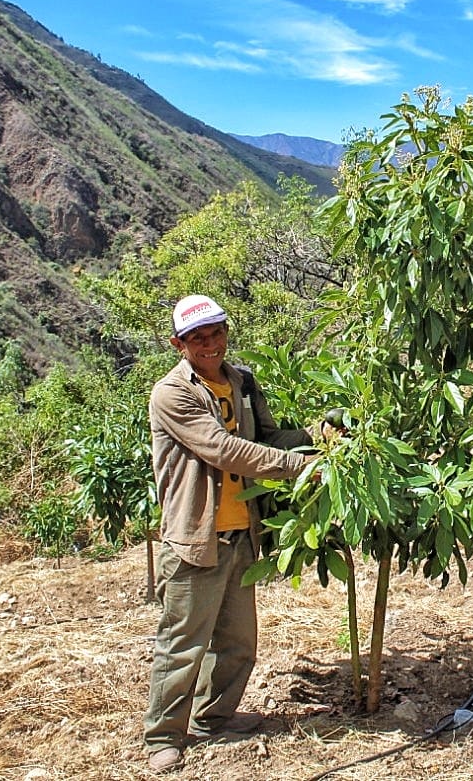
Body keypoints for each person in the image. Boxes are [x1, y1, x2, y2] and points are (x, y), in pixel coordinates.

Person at [144, 294, 319, 772]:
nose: (210, 344)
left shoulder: (241, 382)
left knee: (239, 642)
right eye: (197, 338)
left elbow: (264, 438)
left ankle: (214, 718)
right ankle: (163, 734)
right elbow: (225, 450)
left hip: (243, 534)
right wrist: (299, 468)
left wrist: (315, 439)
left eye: (216, 332)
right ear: (178, 344)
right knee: (183, 644)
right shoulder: (172, 394)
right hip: (194, 539)